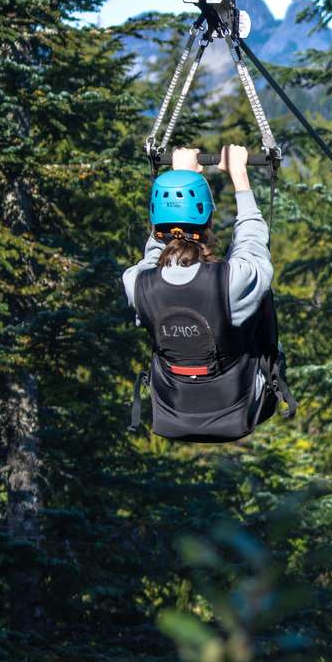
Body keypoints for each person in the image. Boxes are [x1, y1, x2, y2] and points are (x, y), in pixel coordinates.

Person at [122, 144, 284, 440]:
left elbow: (153, 257)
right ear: (208, 221)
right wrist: (240, 176)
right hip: (240, 401)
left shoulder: (136, 284)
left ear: (156, 224)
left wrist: (178, 175)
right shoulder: (230, 282)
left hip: (174, 406)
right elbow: (252, 242)